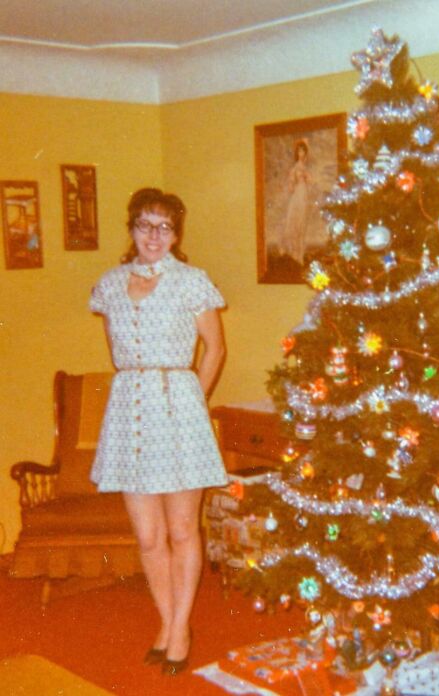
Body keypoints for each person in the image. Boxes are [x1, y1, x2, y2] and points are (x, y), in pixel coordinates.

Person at [89, 188, 228, 676]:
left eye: (164, 227)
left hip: (179, 408)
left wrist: (195, 400)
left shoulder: (192, 282)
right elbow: (114, 349)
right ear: (131, 229)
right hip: (131, 411)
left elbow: (214, 348)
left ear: (176, 235)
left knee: (182, 528)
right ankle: (167, 623)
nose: (154, 236)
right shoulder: (109, 284)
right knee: (148, 536)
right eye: (145, 225)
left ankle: (181, 629)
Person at [280, 139, 311, 265]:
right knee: (295, 222)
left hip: (304, 194)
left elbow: (310, 182)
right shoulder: (296, 168)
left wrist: (306, 178)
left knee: (302, 223)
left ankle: (300, 254)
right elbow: (290, 184)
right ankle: (294, 253)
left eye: (303, 151)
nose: (301, 153)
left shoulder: (304, 167)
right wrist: (295, 182)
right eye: (299, 151)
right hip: (298, 194)